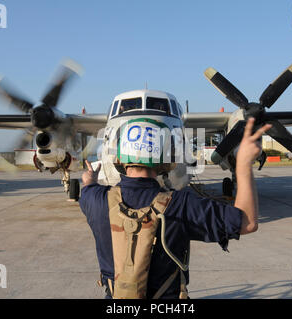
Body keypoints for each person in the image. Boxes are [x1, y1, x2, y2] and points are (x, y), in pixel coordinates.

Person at [79, 118, 271, 299]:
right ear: (165, 156)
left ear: (119, 155)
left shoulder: (94, 199)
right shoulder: (181, 204)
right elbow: (247, 222)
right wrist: (244, 163)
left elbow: (87, 188)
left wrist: (90, 180)